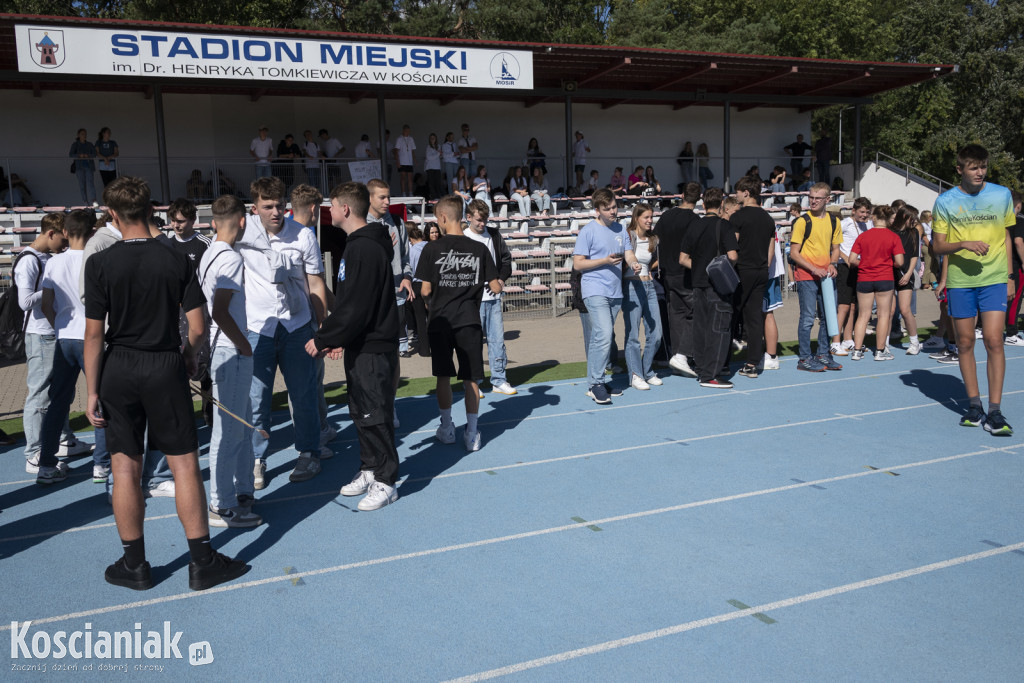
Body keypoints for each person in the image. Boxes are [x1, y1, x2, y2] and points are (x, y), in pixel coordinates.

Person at [83, 176, 249, 591]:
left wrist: (91, 390)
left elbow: (93, 334)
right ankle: (202, 561)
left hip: (118, 366)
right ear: (151, 210)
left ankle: (135, 565)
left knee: (124, 467)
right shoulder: (177, 258)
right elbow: (197, 325)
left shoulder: (100, 262)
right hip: (164, 364)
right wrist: (190, 356)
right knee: (184, 464)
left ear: (113, 215)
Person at [307, 182, 402, 510]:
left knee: (375, 412)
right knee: (360, 410)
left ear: (345, 209)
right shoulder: (360, 244)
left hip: (374, 345)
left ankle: (386, 479)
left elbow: (355, 306)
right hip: (362, 343)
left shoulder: (364, 248)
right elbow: (351, 302)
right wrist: (339, 337)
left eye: (331, 206)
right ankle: (369, 466)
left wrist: (324, 338)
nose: (328, 212)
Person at [238, 176, 327, 489]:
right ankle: (256, 458)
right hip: (256, 328)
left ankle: (308, 452)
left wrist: (322, 329)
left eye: (279, 206)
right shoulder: (241, 230)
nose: (275, 212)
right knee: (256, 398)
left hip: (297, 326)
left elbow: (315, 283)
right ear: (255, 207)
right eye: (267, 206)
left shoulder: (303, 234)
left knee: (303, 394)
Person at [930, 144, 1017, 435]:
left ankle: (995, 411)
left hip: (993, 277)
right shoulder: (945, 201)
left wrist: (1010, 275)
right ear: (960, 169)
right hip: (960, 281)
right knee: (965, 343)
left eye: (983, 166)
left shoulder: (1001, 194)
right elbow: (937, 246)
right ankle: (974, 405)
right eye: (973, 167)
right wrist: (964, 244)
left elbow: (1005, 234)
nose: (979, 172)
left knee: (994, 339)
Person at [416, 196, 500, 450]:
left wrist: (434, 301)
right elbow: (495, 284)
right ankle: (472, 432)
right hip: (469, 319)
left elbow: (425, 290)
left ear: (442, 217)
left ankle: (446, 427)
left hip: (441, 319)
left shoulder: (431, 248)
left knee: (443, 376)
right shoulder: (479, 248)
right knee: (471, 378)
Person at [198, 196, 262, 528]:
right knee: (229, 432)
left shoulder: (210, 252)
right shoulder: (229, 258)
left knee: (241, 425)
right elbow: (219, 310)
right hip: (230, 350)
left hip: (224, 349)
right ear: (241, 221)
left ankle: (242, 493)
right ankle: (221, 504)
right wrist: (243, 345)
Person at [36, 211, 106, 483]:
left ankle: (46, 464)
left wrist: (60, 327)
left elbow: (45, 304)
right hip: (93, 336)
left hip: (65, 338)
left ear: (65, 232)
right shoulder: (97, 259)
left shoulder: (54, 263)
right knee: (98, 399)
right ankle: (101, 464)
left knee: (58, 403)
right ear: (92, 232)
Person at [17, 213, 80, 481]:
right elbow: (25, 301)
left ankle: (65, 440)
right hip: (40, 334)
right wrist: (54, 287)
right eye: (62, 238)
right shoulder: (29, 260)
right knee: (39, 394)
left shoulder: (48, 259)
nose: (64, 244)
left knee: (59, 392)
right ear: (51, 233)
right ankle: (33, 451)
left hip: (54, 331)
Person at [573, 188, 640, 405]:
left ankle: (597, 380)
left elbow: (628, 252)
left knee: (600, 337)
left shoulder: (621, 229)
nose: (613, 211)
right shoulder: (588, 231)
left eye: (614, 206)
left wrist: (634, 263)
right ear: (597, 210)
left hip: (615, 292)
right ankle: (596, 384)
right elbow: (578, 264)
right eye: (607, 208)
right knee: (603, 333)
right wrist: (604, 261)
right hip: (594, 289)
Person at [288, 184, 336, 458]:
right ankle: (312, 435)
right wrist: (324, 321)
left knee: (313, 381)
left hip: (297, 317)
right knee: (306, 382)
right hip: (303, 319)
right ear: (313, 208)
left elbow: (317, 283)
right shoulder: (304, 234)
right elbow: (315, 283)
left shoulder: (287, 232)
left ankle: (321, 427)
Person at [680, 187, 739, 388]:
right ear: (722, 204)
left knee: (701, 329)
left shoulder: (693, 226)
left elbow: (683, 259)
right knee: (719, 329)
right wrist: (716, 270)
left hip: (697, 284)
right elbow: (732, 256)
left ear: (703, 204)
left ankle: (703, 370)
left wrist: (702, 268)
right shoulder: (724, 226)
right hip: (717, 286)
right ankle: (710, 375)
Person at [464, 199, 516, 396]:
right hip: (471, 300)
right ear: (468, 217)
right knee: (473, 341)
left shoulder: (494, 234)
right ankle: (474, 381)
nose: (482, 224)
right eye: (478, 220)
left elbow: (506, 260)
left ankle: (499, 380)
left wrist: (501, 280)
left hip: (493, 298)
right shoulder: (462, 237)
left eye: (485, 219)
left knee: (496, 340)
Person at [790, 182, 843, 372]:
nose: (812, 201)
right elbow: (794, 253)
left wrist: (832, 264)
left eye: (817, 198)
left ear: (827, 199)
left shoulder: (834, 221)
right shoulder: (802, 221)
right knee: (807, 318)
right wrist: (814, 268)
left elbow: (836, 249)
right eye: (810, 197)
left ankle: (823, 354)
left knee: (828, 317)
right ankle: (804, 358)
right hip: (806, 276)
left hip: (826, 277)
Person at [730, 176, 777, 379]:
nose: (736, 195)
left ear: (746, 193)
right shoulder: (767, 218)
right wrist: (762, 267)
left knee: (731, 315)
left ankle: (722, 360)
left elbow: (732, 247)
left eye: (738, 192)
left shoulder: (738, 217)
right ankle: (752, 363)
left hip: (743, 271)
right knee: (755, 317)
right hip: (760, 271)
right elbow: (770, 251)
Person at [366, 179, 415, 364]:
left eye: (389, 197)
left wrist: (407, 277)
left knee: (393, 355)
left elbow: (405, 258)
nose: (387, 201)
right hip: (372, 296)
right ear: (369, 198)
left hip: (397, 293)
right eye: (382, 197)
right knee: (375, 350)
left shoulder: (397, 222)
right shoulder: (361, 223)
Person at [848, 205, 903, 361]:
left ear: (874, 217)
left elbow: (852, 260)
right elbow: (899, 261)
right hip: (885, 278)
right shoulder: (893, 237)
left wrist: (866, 263)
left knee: (863, 315)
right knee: (883, 315)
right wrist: (886, 263)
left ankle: (857, 350)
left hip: (864, 278)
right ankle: (880, 351)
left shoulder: (863, 236)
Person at [659, 182, 702, 378]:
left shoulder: (667, 215)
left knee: (675, 314)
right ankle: (682, 355)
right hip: (685, 272)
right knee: (697, 310)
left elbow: (655, 238)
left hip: (668, 272)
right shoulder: (695, 220)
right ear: (698, 198)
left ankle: (678, 355)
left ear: (682, 195)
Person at [622, 203, 663, 390]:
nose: (649, 220)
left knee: (656, 334)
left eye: (651, 217)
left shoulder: (653, 238)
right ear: (636, 217)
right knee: (633, 335)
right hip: (632, 285)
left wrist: (649, 271)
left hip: (649, 286)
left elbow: (653, 261)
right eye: (646, 217)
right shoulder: (628, 235)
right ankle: (635, 374)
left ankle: (647, 371)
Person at [831, 197, 872, 356]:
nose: (864, 215)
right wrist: (846, 259)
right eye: (862, 211)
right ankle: (835, 341)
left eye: (867, 212)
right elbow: (834, 244)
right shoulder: (844, 223)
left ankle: (848, 339)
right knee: (843, 305)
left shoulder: (867, 225)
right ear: (854, 210)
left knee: (854, 305)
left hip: (859, 266)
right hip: (844, 266)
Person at [891, 206, 922, 354]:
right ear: (904, 217)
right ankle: (883, 343)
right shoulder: (890, 231)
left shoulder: (913, 232)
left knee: (905, 309)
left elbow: (915, 254)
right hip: (890, 273)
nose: (915, 220)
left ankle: (914, 341)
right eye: (913, 217)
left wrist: (909, 273)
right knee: (888, 311)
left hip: (906, 273)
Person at [1004, 192, 1024, 345]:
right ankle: (1011, 333)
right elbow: (1018, 242)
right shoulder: (1018, 221)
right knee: (1015, 298)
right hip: (1015, 265)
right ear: (1018, 206)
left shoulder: (998, 220)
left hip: (998, 264)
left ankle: (983, 327)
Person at [69, 128, 98, 206]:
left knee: (90, 183)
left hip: (89, 166)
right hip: (79, 167)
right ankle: (85, 201)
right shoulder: (75, 144)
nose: (84, 135)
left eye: (85, 134)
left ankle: (94, 200)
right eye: (82, 134)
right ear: (78, 135)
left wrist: (88, 155)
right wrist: (79, 155)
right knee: (82, 185)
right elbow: (71, 154)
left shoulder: (90, 144)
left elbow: (94, 154)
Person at [393, 124, 417, 196]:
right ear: (403, 130)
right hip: (402, 161)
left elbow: (413, 150)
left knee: (410, 177)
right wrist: (397, 161)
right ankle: (403, 193)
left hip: (409, 162)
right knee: (403, 177)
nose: (407, 132)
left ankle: (410, 192)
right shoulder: (399, 139)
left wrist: (414, 159)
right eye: (406, 130)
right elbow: (396, 150)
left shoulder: (411, 139)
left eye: (408, 131)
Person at [424, 133, 445, 199]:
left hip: (437, 167)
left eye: (434, 138)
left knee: (438, 183)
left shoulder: (439, 146)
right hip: (430, 167)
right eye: (431, 138)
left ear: (436, 139)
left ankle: (438, 196)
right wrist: (438, 153)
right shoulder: (428, 147)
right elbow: (429, 157)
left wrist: (441, 154)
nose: (432, 140)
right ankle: (433, 197)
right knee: (431, 183)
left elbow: (441, 156)